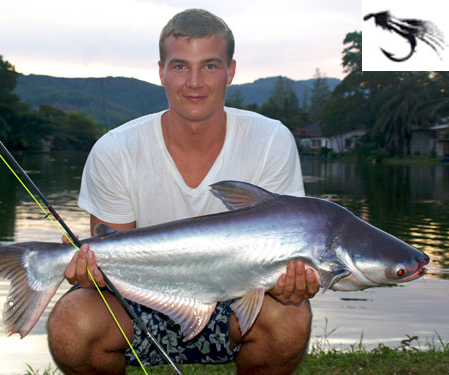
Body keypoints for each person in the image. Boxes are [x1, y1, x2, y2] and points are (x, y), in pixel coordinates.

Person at [47, 8, 319, 375]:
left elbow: (285, 253)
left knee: (291, 319)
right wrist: (95, 273)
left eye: (209, 65)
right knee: (70, 327)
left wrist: (291, 282)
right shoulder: (114, 149)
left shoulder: (271, 140)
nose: (194, 82)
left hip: (235, 298)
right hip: (140, 300)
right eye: (179, 66)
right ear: (161, 71)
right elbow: (114, 258)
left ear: (231, 71)